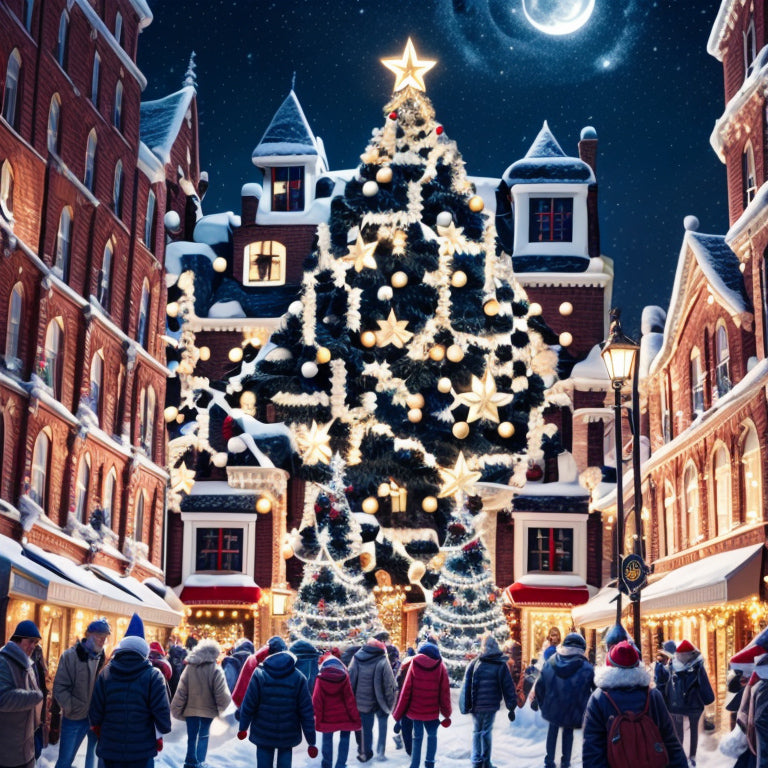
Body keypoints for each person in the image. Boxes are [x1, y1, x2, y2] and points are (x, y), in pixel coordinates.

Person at [582, 640, 687, 768]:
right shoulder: (653, 696)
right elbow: (670, 741)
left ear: (608, 667)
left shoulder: (598, 698)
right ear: (638, 665)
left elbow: (592, 750)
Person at [88, 613, 172, 768]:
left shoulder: (105, 673)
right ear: (144, 653)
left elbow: (95, 714)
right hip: (142, 752)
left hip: (109, 751)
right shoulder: (154, 676)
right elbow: (164, 721)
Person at [236, 635, 317, 768]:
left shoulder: (259, 674)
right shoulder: (299, 677)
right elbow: (306, 712)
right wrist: (311, 742)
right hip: (288, 733)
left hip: (263, 731)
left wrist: (243, 727)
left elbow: (249, 704)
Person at [53, 617, 111, 768]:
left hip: (92, 718)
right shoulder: (70, 656)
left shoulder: (101, 657)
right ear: (89, 635)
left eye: (105, 638)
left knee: (90, 757)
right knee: (65, 760)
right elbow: (59, 687)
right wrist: (71, 707)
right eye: (99, 637)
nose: (102, 641)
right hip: (73, 718)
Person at [533, 632, 594, 768]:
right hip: (573, 710)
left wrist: (545, 705)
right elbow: (595, 693)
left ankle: (549, 762)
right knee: (568, 733)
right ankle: (565, 763)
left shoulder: (550, 662)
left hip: (553, 706)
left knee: (552, 731)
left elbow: (540, 687)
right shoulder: (587, 668)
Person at [171, 638, 231, 768]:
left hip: (190, 710)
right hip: (208, 711)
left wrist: (176, 708)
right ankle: (199, 762)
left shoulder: (189, 668)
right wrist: (225, 709)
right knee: (203, 735)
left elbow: (181, 690)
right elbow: (221, 693)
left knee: (192, 737)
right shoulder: (215, 669)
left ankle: (190, 762)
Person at [459, 634, 517, 768]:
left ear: (483, 647)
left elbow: (466, 685)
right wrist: (511, 706)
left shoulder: (475, 663)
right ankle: (486, 761)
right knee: (486, 732)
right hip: (491, 705)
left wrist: (465, 704)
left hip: (476, 705)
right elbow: (507, 686)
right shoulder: (500, 664)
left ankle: (476, 761)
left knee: (477, 731)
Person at [392, 641, 451, 768]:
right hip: (432, 712)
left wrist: (399, 712)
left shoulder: (414, 663)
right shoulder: (440, 666)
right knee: (432, 736)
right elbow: (444, 692)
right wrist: (446, 713)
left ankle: (415, 764)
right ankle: (429, 763)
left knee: (417, 737)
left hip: (416, 710)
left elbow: (406, 689)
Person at [0, 620, 44, 768]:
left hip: (25, 748)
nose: (33, 646)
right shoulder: (3, 661)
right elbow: (3, 698)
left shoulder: (28, 663)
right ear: (17, 639)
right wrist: (35, 697)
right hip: (8, 752)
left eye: (36, 642)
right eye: (30, 641)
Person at [666, 639, 715, 767]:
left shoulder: (672, 665)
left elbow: (667, 685)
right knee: (693, 732)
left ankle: (681, 757)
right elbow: (704, 685)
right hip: (694, 704)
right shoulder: (698, 666)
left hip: (676, 705)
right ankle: (691, 757)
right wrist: (708, 698)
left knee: (679, 733)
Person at [349, 638, 397, 762]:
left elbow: (351, 678)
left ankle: (365, 753)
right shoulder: (382, 659)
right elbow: (389, 683)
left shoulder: (357, 658)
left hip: (362, 701)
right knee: (382, 724)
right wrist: (390, 703)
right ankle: (380, 751)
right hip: (380, 700)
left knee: (366, 729)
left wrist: (351, 698)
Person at [312, 653, 361, 768]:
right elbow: (349, 699)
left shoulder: (320, 678)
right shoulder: (344, 676)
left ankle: (327, 764)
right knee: (345, 739)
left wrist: (316, 717)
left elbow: (316, 700)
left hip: (326, 716)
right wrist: (355, 718)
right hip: (344, 716)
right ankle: (341, 764)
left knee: (327, 740)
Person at [31, 641, 50, 759]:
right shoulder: (29, 665)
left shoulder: (38, 665)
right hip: (33, 705)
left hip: (38, 704)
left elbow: (43, 683)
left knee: (36, 740)